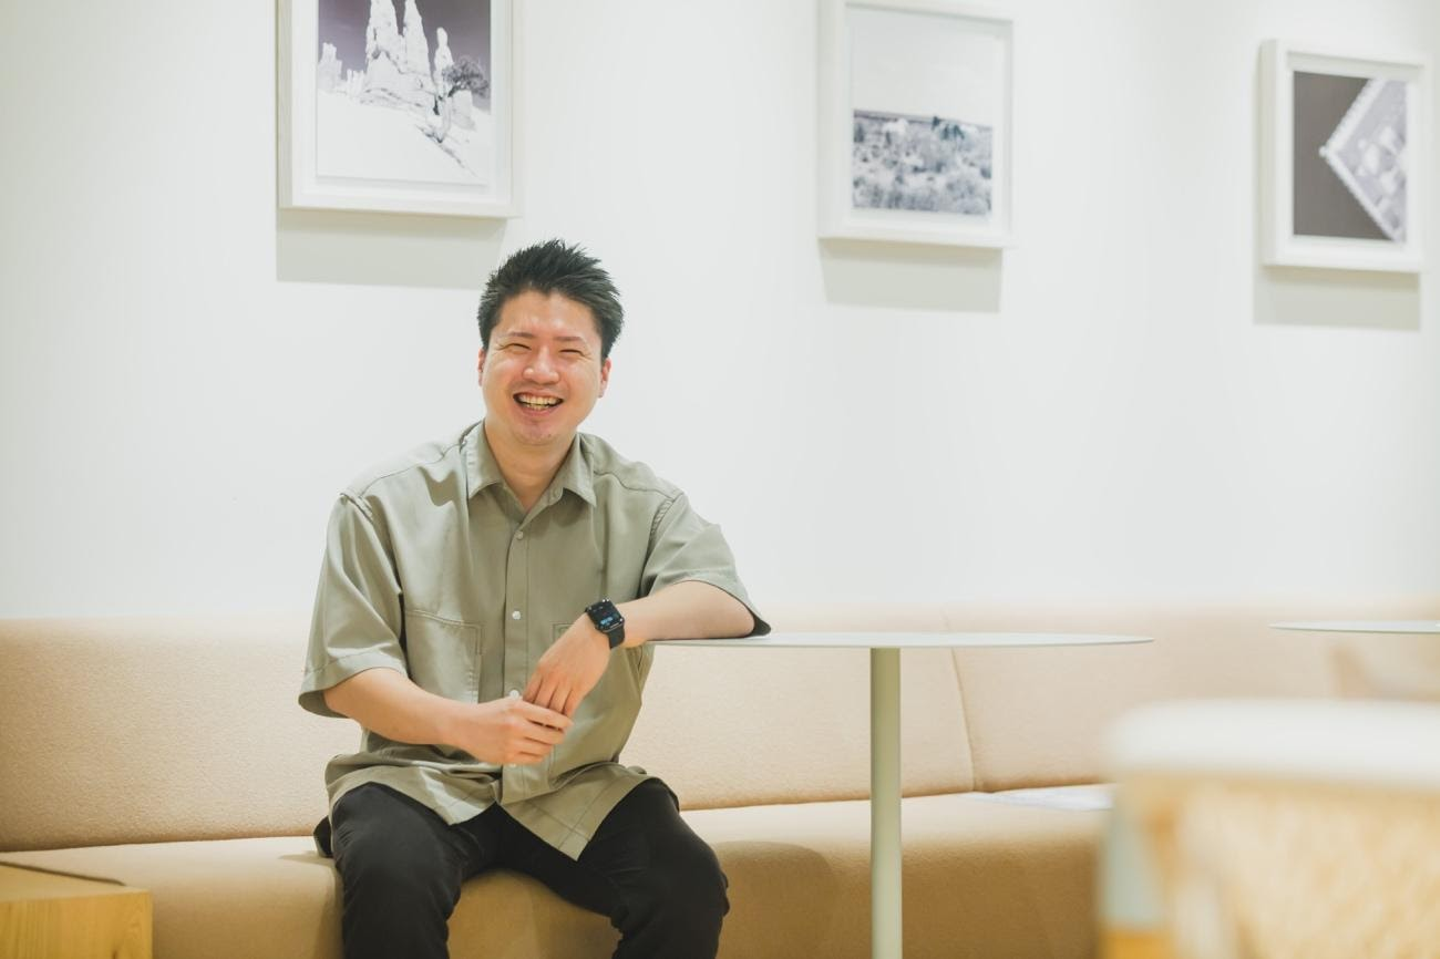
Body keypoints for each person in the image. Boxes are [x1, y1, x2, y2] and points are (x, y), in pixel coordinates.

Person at [298, 239, 768, 959]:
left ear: (603, 375)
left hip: (575, 785)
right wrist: (468, 726)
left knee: (686, 883)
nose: (541, 371)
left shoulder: (643, 501)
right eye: (518, 346)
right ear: (481, 361)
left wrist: (607, 623)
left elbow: (725, 602)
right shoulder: (382, 503)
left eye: (569, 351)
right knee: (391, 875)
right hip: (417, 781)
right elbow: (348, 676)